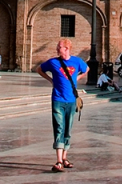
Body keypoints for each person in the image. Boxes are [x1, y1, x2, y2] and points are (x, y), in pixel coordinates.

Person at [36, 39, 88, 173]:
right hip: (58, 100)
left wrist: (78, 78)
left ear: (66, 48)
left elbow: (87, 68)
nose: (57, 49)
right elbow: (39, 69)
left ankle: (64, 158)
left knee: (67, 130)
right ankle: (59, 160)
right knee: (59, 127)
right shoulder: (53, 62)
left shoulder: (76, 61)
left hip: (71, 101)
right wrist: (50, 80)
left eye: (59, 47)